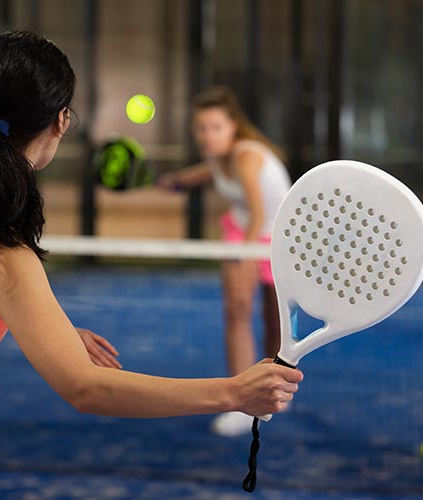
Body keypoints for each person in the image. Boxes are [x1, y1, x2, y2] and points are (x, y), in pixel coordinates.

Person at [0, 32, 303, 499]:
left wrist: (59, 332)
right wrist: (234, 393)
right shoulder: (1, 250)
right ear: (61, 121)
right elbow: (87, 389)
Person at [158, 86, 293, 437]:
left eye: (215, 127)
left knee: (275, 324)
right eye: (201, 128)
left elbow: (260, 211)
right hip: (242, 231)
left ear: (233, 127)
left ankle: (273, 391)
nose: (208, 135)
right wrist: (169, 182)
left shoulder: (247, 156)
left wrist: (245, 254)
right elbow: (195, 177)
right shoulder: (217, 159)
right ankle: (242, 403)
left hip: (278, 240)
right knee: (236, 312)